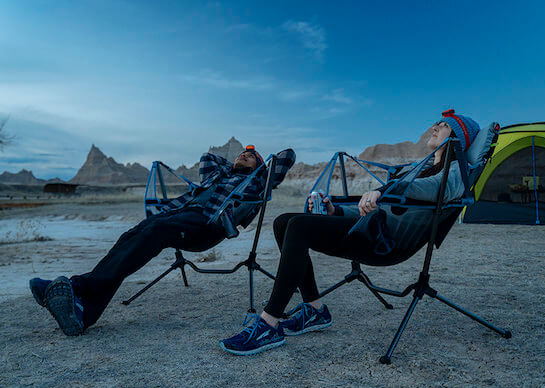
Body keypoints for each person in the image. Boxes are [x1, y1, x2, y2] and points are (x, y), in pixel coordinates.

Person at [220, 110, 481, 355]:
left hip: (386, 242)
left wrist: (384, 190)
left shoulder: (458, 170)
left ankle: (269, 323)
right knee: (284, 221)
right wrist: (336, 211)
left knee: (299, 226)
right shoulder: (418, 169)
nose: (434, 127)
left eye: (444, 125)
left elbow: (437, 188)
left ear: (459, 136)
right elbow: (380, 207)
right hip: (372, 229)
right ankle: (314, 309)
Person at [29, 146, 295, 336]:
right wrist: (235, 164)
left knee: (154, 231)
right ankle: (82, 305)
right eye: (241, 153)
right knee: (134, 234)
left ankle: (78, 292)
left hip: (208, 225)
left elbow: (286, 156)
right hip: (181, 213)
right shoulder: (217, 175)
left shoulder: (260, 180)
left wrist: (257, 166)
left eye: (251, 157)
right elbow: (208, 157)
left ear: (260, 166)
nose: (244, 155)